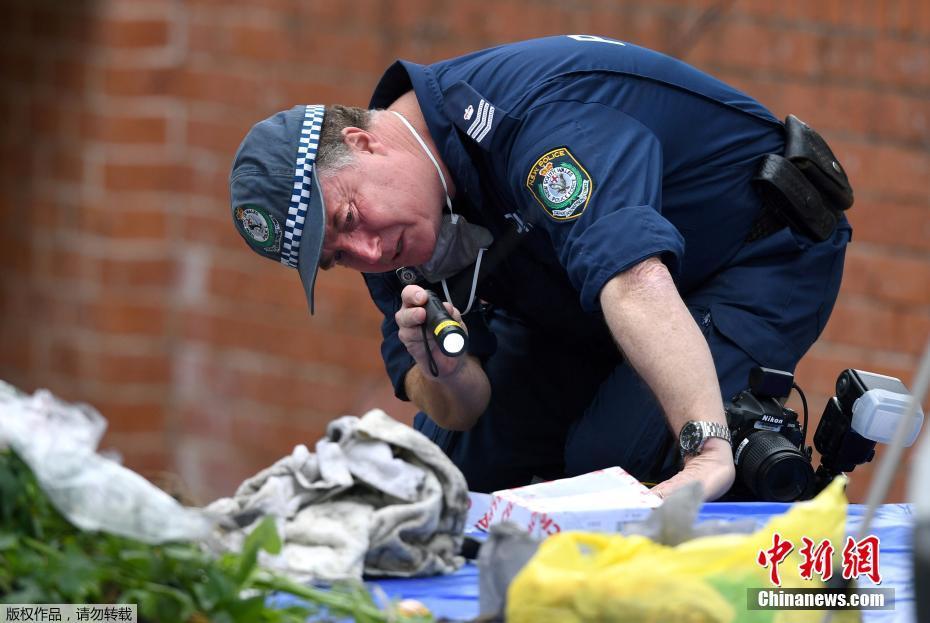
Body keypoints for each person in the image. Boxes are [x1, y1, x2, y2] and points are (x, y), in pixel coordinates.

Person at [228, 35, 852, 501]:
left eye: (345, 220)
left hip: (753, 253)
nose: (363, 254)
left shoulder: (530, 118)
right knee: (443, 477)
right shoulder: (394, 229)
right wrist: (443, 368)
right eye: (337, 259)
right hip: (581, 300)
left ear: (365, 142)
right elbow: (458, 409)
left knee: (615, 463)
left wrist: (708, 452)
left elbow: (634, 277)